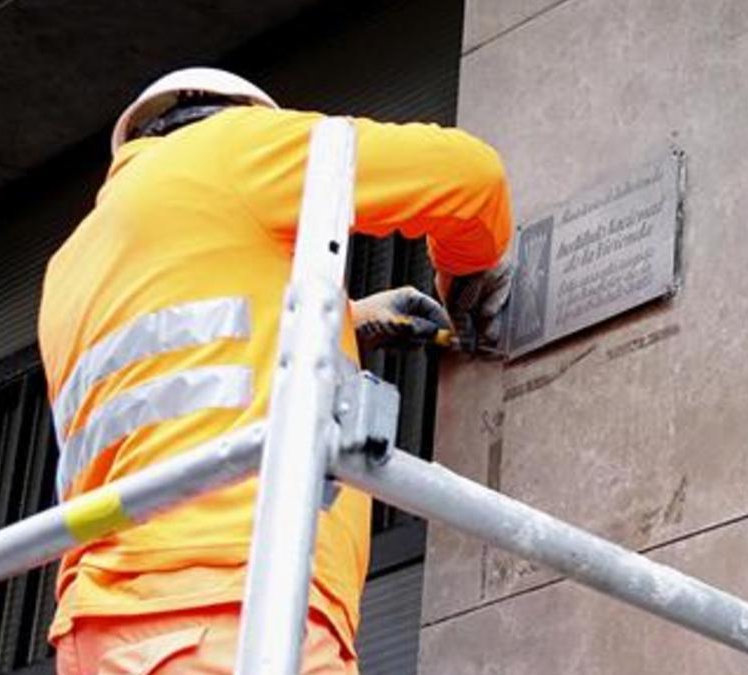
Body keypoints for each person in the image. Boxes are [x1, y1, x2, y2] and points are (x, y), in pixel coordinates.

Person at [38, 67, 513, 674]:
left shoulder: (71, 262)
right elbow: (471, 179)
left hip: (102, 628)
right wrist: (467, 268)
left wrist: (342, 322)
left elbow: (180, 371)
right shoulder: (228, 150)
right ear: (240, 114)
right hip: (234, 598)